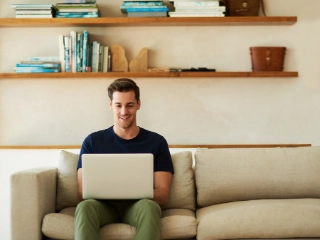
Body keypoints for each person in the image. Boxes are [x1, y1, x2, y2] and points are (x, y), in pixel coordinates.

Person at [75, 78, 174, 240]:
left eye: (129, 105)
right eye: (118, 105)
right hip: (102, 207)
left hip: (138, 207)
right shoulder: (92, 141)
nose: (124, 112)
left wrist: (128, 193)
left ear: (138, 104)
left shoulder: (157, 142)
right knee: (85, 206)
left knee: (149, 206)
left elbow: (163, 194)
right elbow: (81, 192)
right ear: (110, 105)